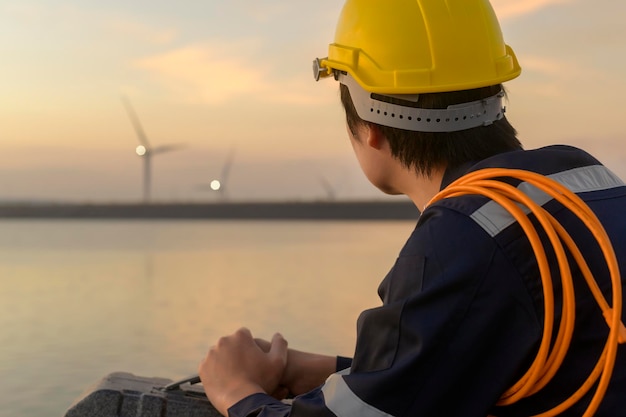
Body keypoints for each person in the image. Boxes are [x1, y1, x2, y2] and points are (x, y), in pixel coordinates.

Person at [198, 0, 626, 416]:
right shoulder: (588, 182)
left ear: (371, 126)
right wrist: (333, 370)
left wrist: (237, 390)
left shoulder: (463, 241)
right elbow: (478, 358)